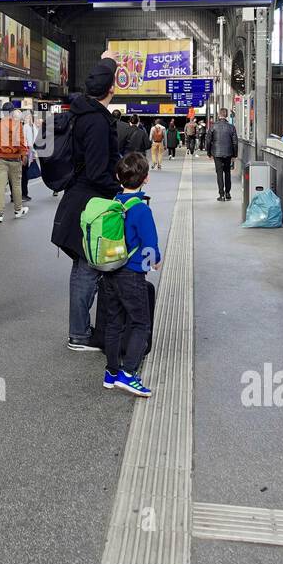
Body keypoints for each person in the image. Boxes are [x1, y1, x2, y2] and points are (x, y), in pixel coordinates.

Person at [51, 53, 121, 352]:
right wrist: (120, 189)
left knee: (86, 265)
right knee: (89, 267)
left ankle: (83, 330)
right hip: (90, 203)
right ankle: (79, 334)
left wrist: (106, 61)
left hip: (78, 199)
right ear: (112, 89)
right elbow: (96, 169)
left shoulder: (83, 113)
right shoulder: (96, 121)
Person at [100, 152, 161, 398]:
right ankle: (129, 373)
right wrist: (153, 262)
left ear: (118, 177)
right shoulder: (141, 209)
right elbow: (150, 245)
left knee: (114, 322)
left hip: (110, 270)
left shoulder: (113, 203)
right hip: (131, 274)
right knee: (140, 323)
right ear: (145, 179)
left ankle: (111, 373)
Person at [0, 103, 29, 223]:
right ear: (12, 112)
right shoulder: (17, 124)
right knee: (16, 185)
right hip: (14, 159)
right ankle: (18, 210)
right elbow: (21, 141)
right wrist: (24, 155)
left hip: (0, 158)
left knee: (1, 186)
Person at [207, 107, 239, 201]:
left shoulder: (213, 126)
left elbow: (208, 141)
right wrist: (234, 155)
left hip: (217, 153)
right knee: (227, 172)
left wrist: (209, 153)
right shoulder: (231, 127)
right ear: (226, 115)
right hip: (228, 153)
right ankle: (228, 193)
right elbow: (235, 142)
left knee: (219, 173)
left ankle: (221, 195)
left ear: (219, 115)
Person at [20, 109, 36, 202]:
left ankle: (23, 193)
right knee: (24, 174)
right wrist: (32, 152)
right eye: (28, 116)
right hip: (26, 151)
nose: (30, 117)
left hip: (26, 151)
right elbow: (29, 142)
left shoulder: (28, 126)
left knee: (23, 174)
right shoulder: (26, 126)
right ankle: (23, 194)